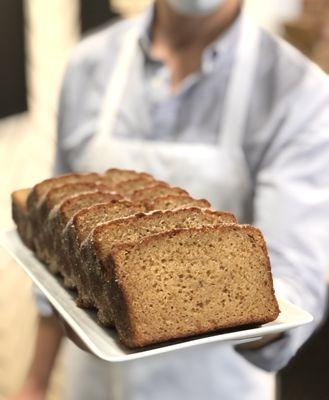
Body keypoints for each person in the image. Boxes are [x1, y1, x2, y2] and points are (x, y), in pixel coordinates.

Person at [10, 0, 329, 399]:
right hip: (94, 380)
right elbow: (53, 250)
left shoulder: (299, 90)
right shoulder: (90, 62)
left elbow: (297, 281)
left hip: (215, 384)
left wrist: (208, 301)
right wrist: (36, 380)